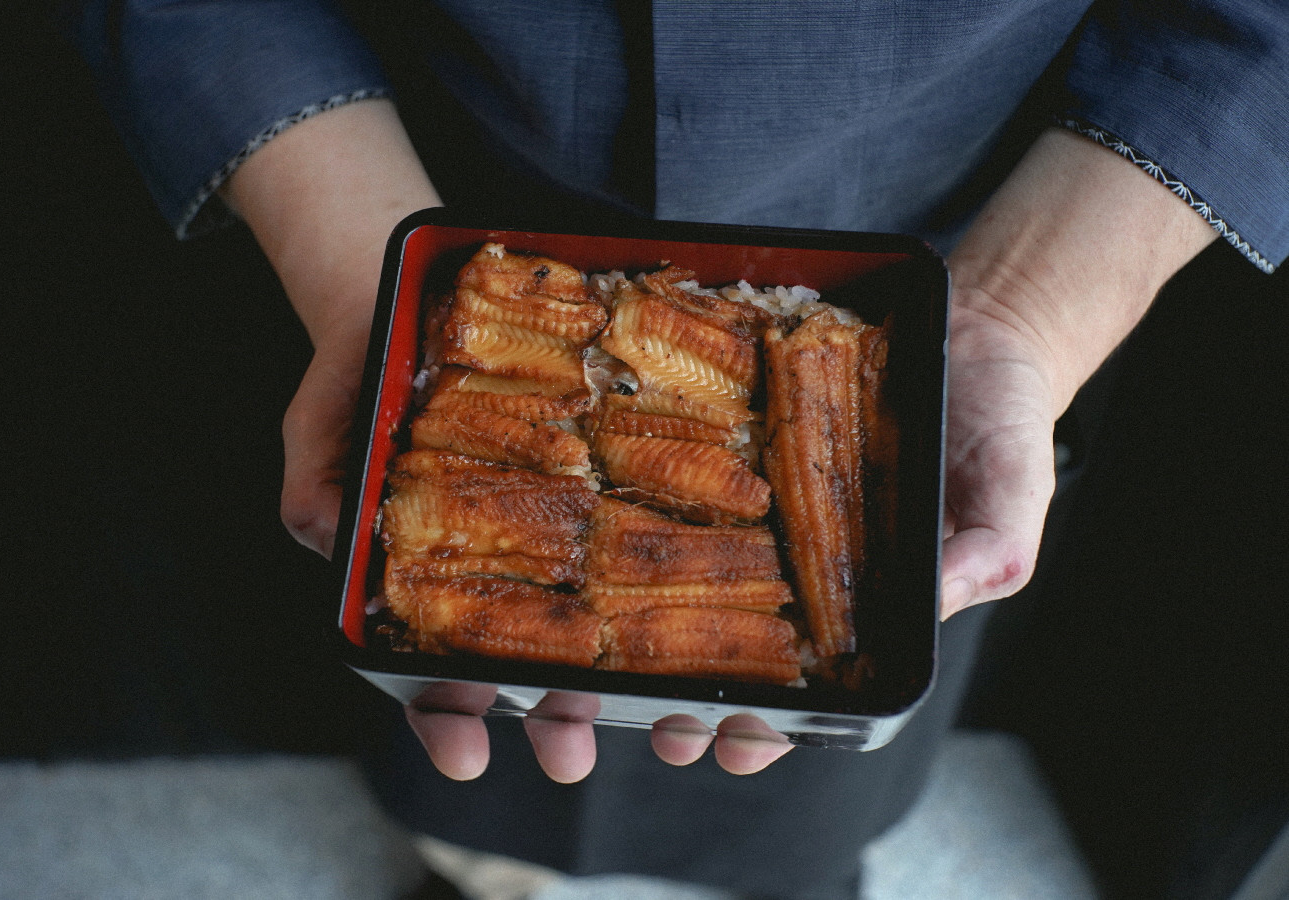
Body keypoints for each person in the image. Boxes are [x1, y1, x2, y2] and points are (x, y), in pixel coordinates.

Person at [63, 1, 1288, 896]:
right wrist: (361, 270)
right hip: (402, 170)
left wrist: (1022, 306)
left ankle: (792, 876)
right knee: (463, 726)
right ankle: (479, 870)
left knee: (810, 755)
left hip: (950, 216)